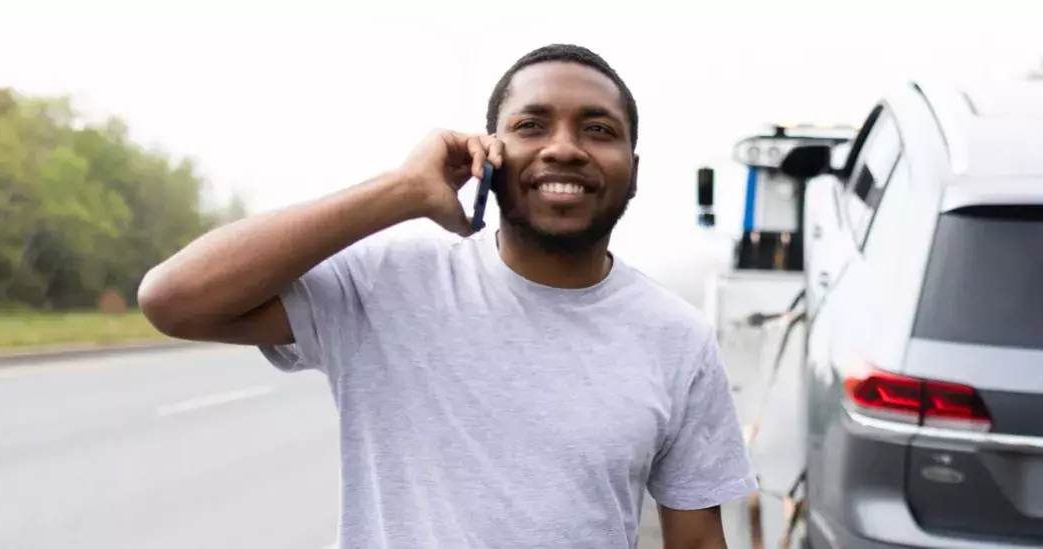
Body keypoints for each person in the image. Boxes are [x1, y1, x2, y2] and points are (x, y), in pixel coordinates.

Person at [138, 43, 756, 549]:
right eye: (530, 125)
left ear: (633, 170)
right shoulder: (386, 284)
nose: (564, 146)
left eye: (598, 130)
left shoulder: (677, 337)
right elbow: (175, 299)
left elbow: (698, 538)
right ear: (487, 154)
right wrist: (405, 188)